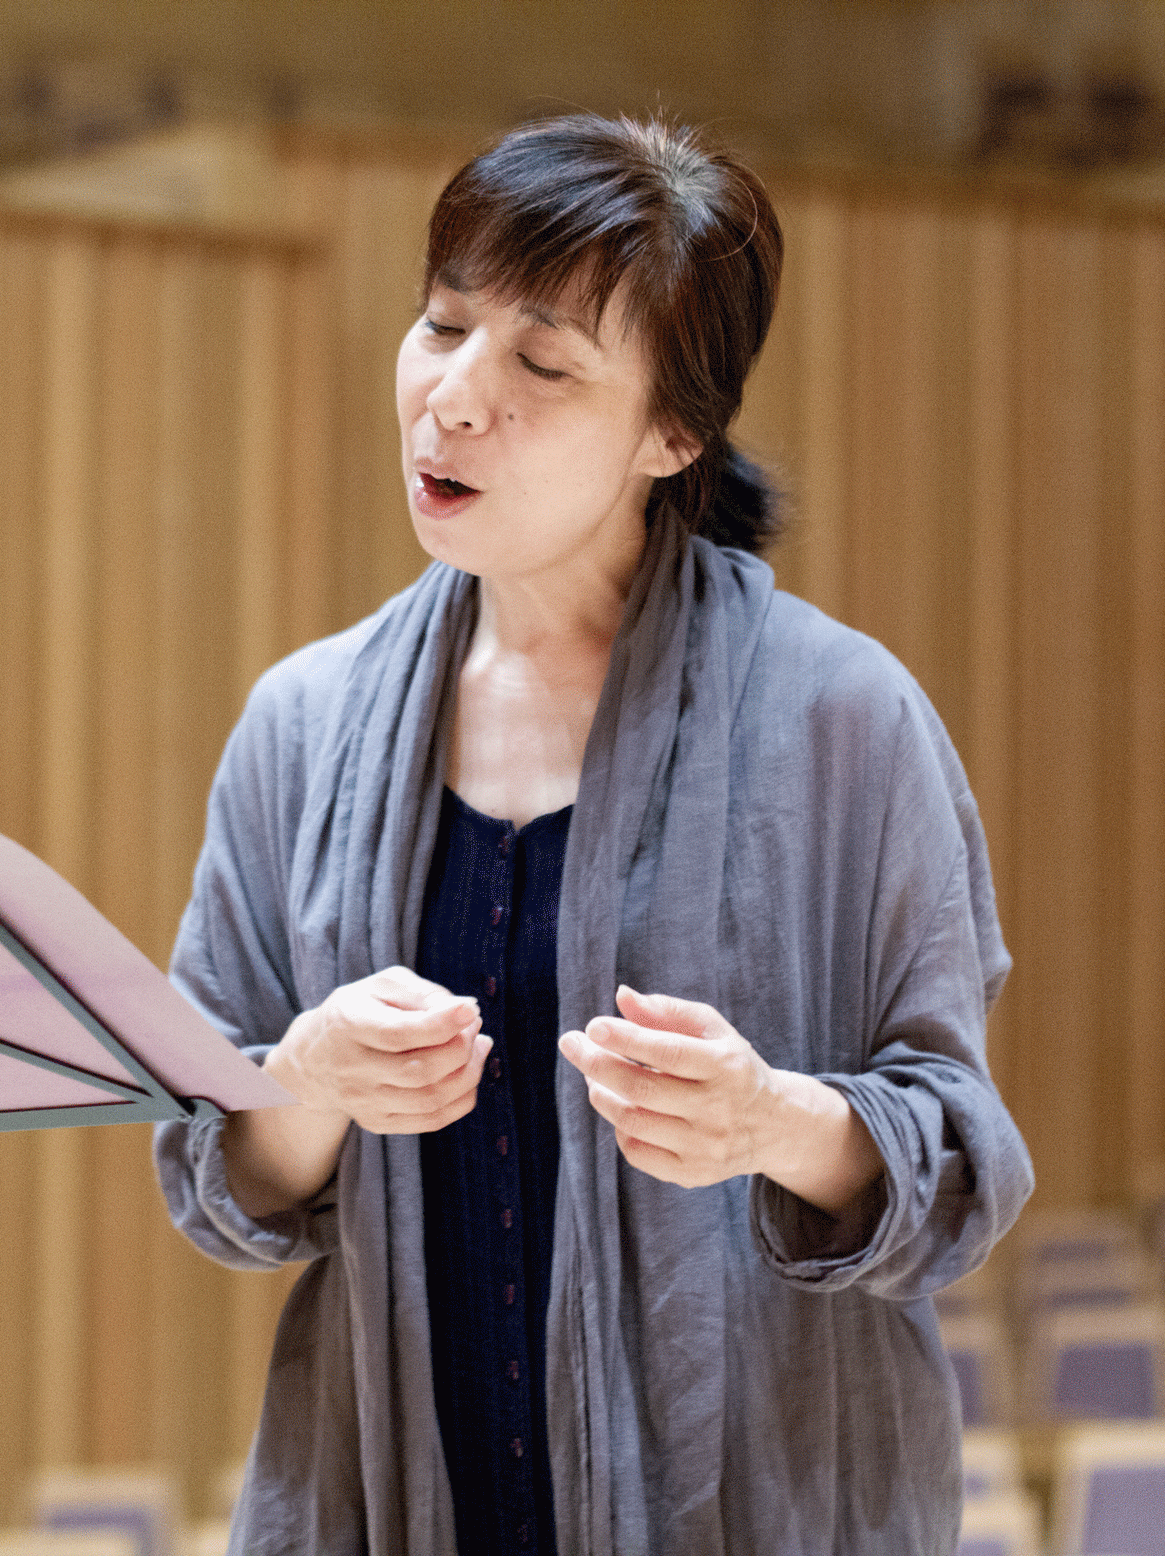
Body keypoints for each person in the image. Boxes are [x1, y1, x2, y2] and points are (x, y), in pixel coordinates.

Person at [153, 114, 1032, 1555]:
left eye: (541, 363)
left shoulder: (842, 717)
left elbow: (955, 1163)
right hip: (386, 1490)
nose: (452, 397)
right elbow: (216, 1160)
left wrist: (772, 1122)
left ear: (671, 433)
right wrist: (304, 1079)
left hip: (767, 1499)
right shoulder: (301, 722)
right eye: (440, 325)